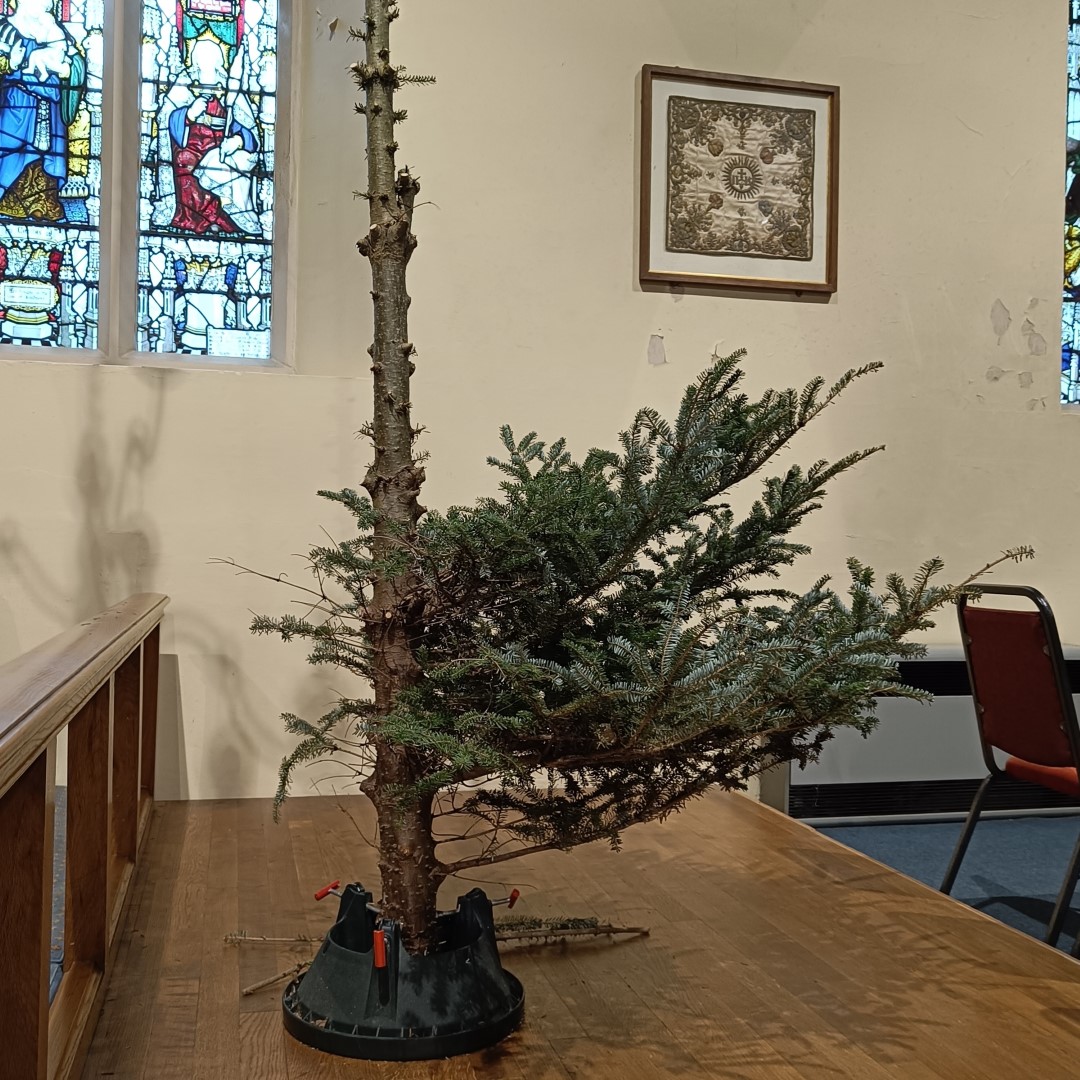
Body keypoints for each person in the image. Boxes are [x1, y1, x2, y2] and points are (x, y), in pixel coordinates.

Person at [165, 36, 259, 235]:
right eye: (201, 64)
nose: (205, 69)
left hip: (218, 148)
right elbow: (169, 120)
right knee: (185, 162)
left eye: (211, 64)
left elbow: (247, 132)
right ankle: (197, 219)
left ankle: (225, 215)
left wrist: (237, 140)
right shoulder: (184, 88)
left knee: (221, 165)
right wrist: (189, 114)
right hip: (190, 146)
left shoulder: (229, 94)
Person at [0, 0, 84, 221]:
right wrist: (12, 65)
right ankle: (9, 198)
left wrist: (68, 71)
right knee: (11, 146)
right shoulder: (4, 30)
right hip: (15, 103)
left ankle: (42, 202)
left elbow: (75, 65)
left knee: (46, 153)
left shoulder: (53, 31)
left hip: (48, 109)